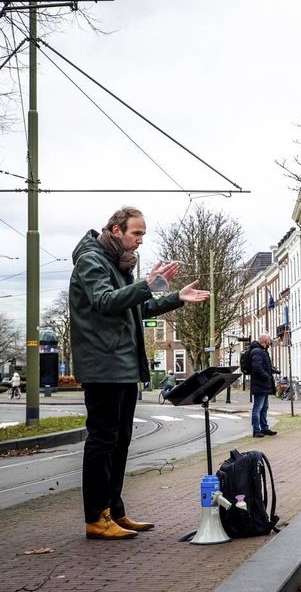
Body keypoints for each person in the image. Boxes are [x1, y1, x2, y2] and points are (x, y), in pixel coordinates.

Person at [70, 206, 209, 540]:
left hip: (123, 366)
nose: (141, 241)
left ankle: (114, 512)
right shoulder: (92, 261)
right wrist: (148, 284)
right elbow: (104, 301)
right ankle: (96, 517)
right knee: (103, 441)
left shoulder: (118, 265)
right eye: (137, 233)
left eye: (143, 234)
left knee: (120, 442)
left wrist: (176, 297)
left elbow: (136, 307)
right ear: (116, 231)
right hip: (104, 365)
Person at [249, 333, 279, 438]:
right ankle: (256, 430)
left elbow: (264, 366)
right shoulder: (257, 351)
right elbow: (257, 367)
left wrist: (273, 371)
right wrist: (267, 376)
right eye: (269, 340)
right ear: (265, 341)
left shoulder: (262, 351)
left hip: (264, 385)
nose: (270, 342)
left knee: (264, 407)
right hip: (260, 385)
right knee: (258, 408)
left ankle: (264, 428)